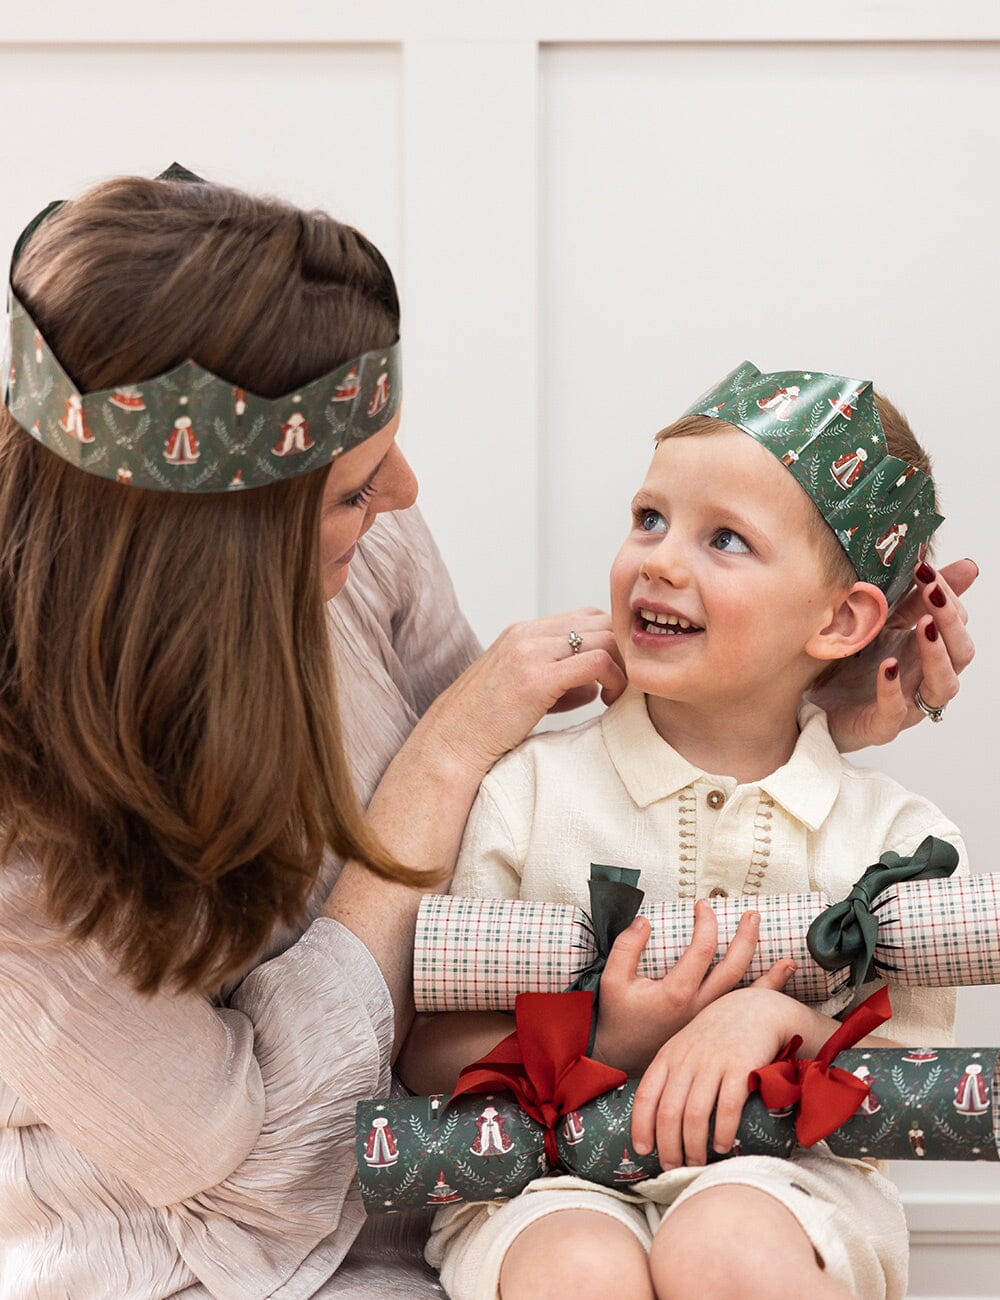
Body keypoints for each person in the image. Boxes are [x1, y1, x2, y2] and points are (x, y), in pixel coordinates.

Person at [0, 170, 975, 1300]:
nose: (406, 496)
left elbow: (891, 1046)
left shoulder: (368, 559)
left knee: (733, 1251)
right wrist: (449, 762)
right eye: (357, 490)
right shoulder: (26, 863)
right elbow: (287, 1157)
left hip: (434, 1190)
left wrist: (794, 719)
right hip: (225, 1254)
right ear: (217, 548)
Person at [402, 368, 972, 1300]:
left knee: (727, 1248)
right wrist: (603, 1037)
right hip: (549, 1180)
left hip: (795, 1186)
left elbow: (919, 1077)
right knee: (575, 1269)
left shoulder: (900, 841)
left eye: (725, 539)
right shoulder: (529, 791)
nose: (661, 560)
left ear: (840, 620)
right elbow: (426, 1054)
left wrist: (783, 1021)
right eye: (649, 519)